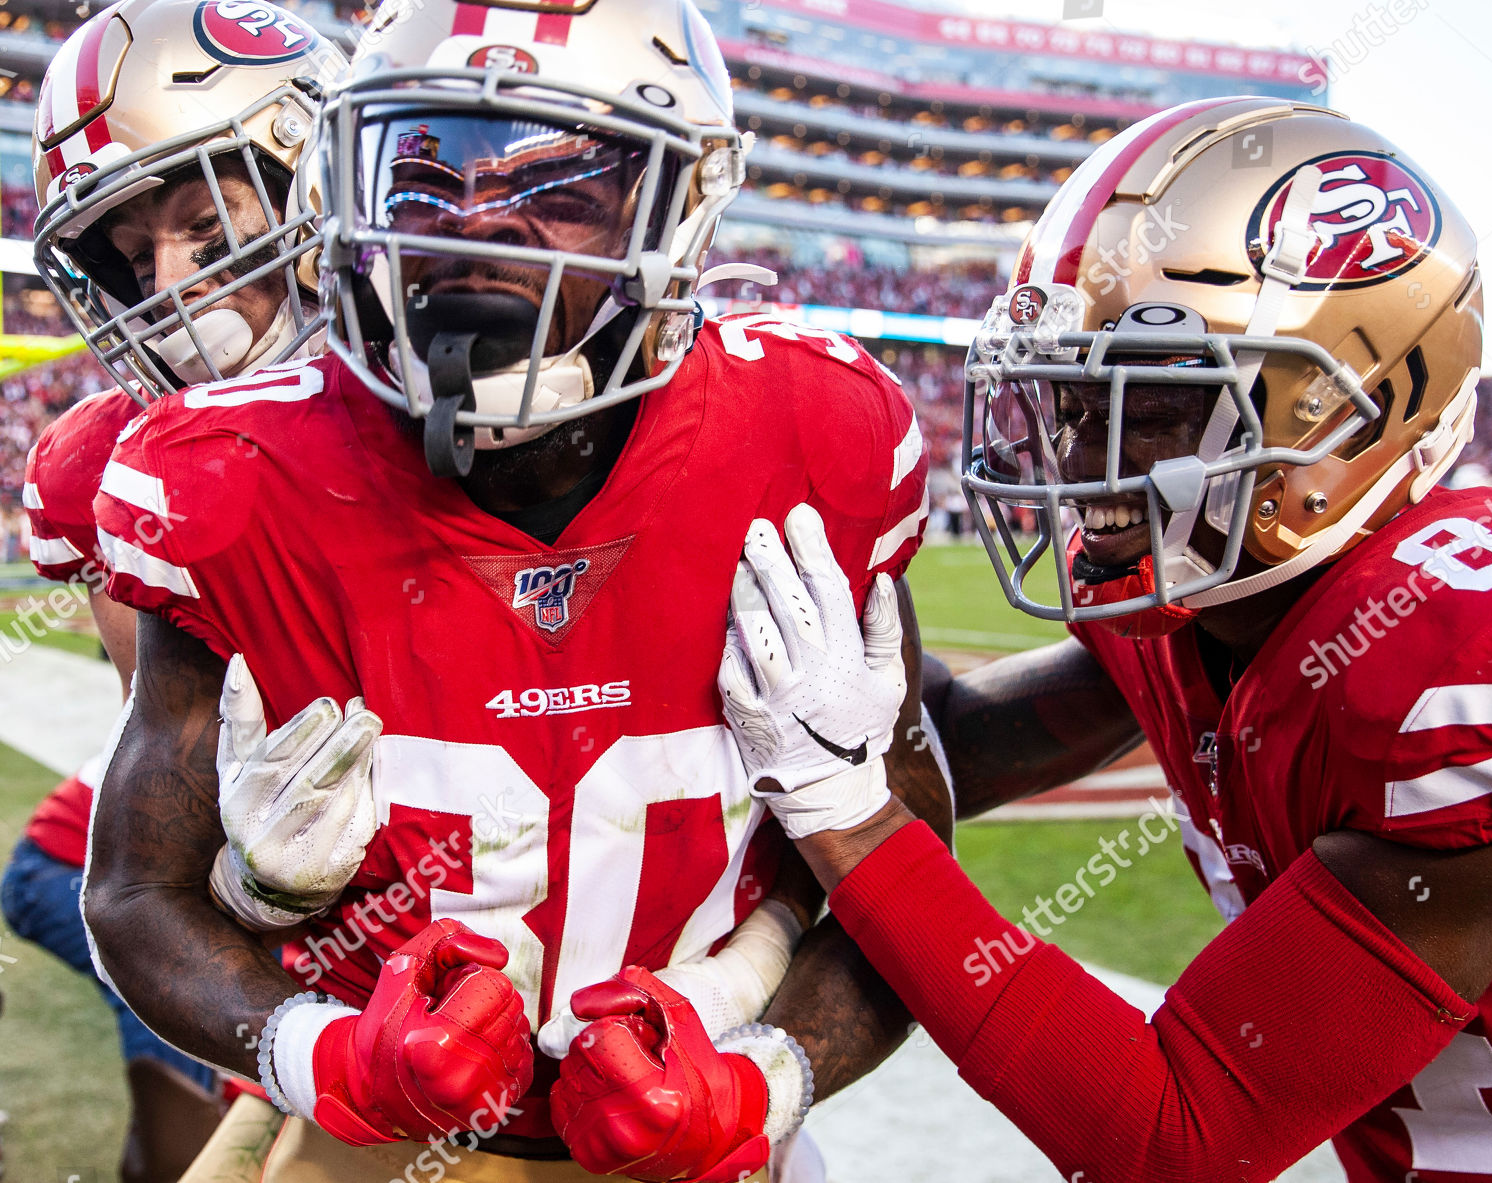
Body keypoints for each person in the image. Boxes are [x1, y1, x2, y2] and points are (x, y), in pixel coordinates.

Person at [84, 1, 951, 1180]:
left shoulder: (814, 434)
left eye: (556, 184)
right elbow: (139, 890)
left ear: (679, 206)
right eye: (423, 181)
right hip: (385, 1127)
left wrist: (764, 1074)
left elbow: (905, 865)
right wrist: (324, 1054)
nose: (477, 232)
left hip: (702, 1113)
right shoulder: (229, 477)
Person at [699, 98, 1492, 1183]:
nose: (1084, 461)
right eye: (1074, 399)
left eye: (1158, 405)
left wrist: (850, 820)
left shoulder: (1448, 664)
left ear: (1343, 418)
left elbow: (1169, 1138)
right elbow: (951, 741)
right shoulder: (1210, 609)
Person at [5, 2, 349, 1177]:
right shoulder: (122, 472)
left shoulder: (474, 409)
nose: (168, 286)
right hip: (293, 957)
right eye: (124, 252)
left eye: (210, 227)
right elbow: (180, 823)